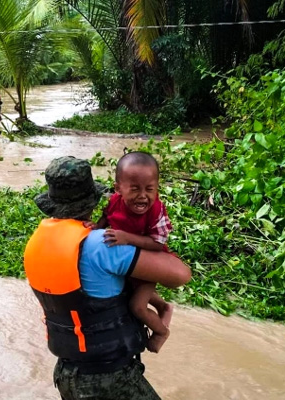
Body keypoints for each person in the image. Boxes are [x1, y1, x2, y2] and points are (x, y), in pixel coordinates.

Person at [23, 156, 192, 400]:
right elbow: (180, 275)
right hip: (109, 379)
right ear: (93, 199)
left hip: (66, 373)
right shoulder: (101, 244)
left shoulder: (36, 243)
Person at [89, 151, 174, 353]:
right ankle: (164, 307)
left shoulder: (157, 211)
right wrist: (95, 228)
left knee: (137, 306)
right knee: (127, 293)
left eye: (149, 189)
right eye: (135, 189)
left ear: (157, 189)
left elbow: (157, 243)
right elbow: (105, 219)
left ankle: (161, 331)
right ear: (118, 189)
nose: (143, 195)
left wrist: (126, 238)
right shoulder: (113, 202)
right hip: (127, 263)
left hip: (150, 262)